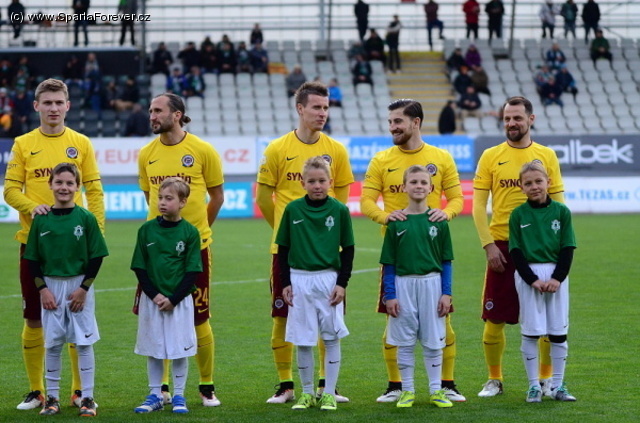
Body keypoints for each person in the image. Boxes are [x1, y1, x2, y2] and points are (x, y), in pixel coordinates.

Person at [4, 78, 105, 411]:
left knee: (77, 319)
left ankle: (78, 391)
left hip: (75, 248)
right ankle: (37, 391)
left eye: (59, 102)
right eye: (47, 103)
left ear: (68, 106)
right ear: (36, 106)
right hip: (35, 247)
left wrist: (97, 233)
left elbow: (94, 190)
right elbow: (10, 190)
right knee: (34, 318)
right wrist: (33, 207)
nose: (53, 108)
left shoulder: (81, 143)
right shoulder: (23, 144)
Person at [360, 99, 465, 404]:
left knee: (443, 322)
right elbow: (366, 201)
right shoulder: (381, 160)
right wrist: (385, 217)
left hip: (430, 254)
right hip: (397, 257)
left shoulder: (441, 158)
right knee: (394, 321)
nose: (392, 127)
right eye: (390, 122)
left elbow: (457, 199)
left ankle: (446, 384)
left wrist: (446, 213)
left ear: (415, 122)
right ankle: (396, 386)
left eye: (398, 121)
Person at [256, 81, 354, 405]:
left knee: (329, 320)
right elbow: (263, 197)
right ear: (300, 108)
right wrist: (290, 234)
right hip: (288, 255)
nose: (322, 113)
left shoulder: (336, 150)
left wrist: (325, 234)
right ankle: (286, 385)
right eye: (316, 107)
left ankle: (328, 386)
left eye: (326, 107)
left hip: (326, 257)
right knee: (282, 317)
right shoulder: (277, 149)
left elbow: (341, 199)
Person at [473, 96, 565, 398]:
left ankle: (545, 380)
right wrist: (488, 245)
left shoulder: (546, 155)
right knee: (494, 317)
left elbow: (559, 205)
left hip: (541, 249)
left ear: (531, 119)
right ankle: (494, 379)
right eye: (507, 119)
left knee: (547, 319)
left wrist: (558, 247)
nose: (511, 123)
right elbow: (478, 205)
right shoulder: (491, 156)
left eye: (517, 118)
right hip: (501, 247)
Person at [137, 93, 225, 407]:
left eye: (158, 110)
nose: (152, 115)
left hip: (194, 250)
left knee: (199, 318)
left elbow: (217, 196)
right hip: (156, 253)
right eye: (150, 110)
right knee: (156, 316)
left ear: (176, 115)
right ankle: (160, 389)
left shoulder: (202, 150)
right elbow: (150, 195)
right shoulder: (146, 154)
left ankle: (206, 386)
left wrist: (197, 233)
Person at [24, 162, 107, 417]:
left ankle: (87, 398)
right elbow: (32, 259)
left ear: (77, 187)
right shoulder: (41, 219)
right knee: (52, 343)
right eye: (59, 182)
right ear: (50, 184)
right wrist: (43, 290)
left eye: (70, 183)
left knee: (83, 342)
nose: (64, 187)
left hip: (79, 286)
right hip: (51, 286)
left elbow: (97, 256)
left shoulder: (86, 218)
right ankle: (52, 399)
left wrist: (83, 289)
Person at [275, 156, 355, 411]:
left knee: (331, 338)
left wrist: (342, 283)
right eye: (312, 181)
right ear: (303, 183)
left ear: (331, 182)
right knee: (303, 340)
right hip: (299, 279)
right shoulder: (293, 209)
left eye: (322, 181)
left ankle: (328, 393)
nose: (317, 185)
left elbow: (348, 249)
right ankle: (307, 393)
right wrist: (286, 283)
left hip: (328, 279)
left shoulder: (339, 210)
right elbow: (283, 248)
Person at [379, 165, 455, 409]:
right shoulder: (395, 222)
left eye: (423, 182)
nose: (419, 186)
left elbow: (446, 261)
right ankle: (407, 391)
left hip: (432, 284)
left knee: (434, 340)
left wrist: (446, 293)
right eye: (413, 182)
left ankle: (436, 390)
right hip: (403, 285)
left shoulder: (439, 221)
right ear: (404, 187)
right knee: (405, 341)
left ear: (431, 188)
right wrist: (390, 295)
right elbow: (388, 263)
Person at [131, 177, 202, 414]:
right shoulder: (146, 230)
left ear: (182, 202)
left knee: (179, 348)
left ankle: (179, 395)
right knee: (154, 347)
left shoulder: (190, 232)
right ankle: (155, 395)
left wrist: (173, 299)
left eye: (169, 198)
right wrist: (155, 295)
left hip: (179, 302)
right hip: (152, 301)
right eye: (160, 197)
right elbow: (139, 267)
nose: (162, 202)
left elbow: (192, 271)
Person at [508, 162, 577, 403]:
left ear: (549, 182)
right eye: (528, 183)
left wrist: (557, 278)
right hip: (529, 276)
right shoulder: (518, 214)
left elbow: (567, 247)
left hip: (557, 274)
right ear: (521, 187)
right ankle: (533, 386)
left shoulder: (561, 212)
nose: (534, 186)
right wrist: (532, 279)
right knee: (531, 331)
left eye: (539, 181)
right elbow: (515, 251)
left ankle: (557, 385)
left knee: (558, 331)